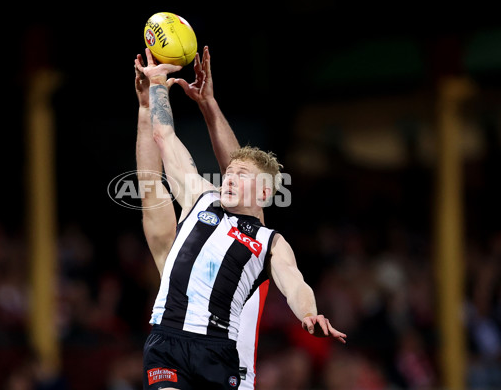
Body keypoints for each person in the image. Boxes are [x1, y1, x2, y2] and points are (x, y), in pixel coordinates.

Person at [136, 48, 347, 390]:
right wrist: (158, 83)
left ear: (264, 193)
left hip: (220, 355)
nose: (229, 176)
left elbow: (294, 282)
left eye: (241, 174)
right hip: (167, 341)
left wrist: (308, 312)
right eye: (228, 172)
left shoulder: (268, 241)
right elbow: (166, 138)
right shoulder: (200, 198)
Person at [134, 46, 269, 390]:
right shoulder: (172, 258)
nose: (229, 183)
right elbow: (150, 188)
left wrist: (207, 104)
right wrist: (147, 106)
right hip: (177, 362)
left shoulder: (252, 243)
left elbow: (241, 173)